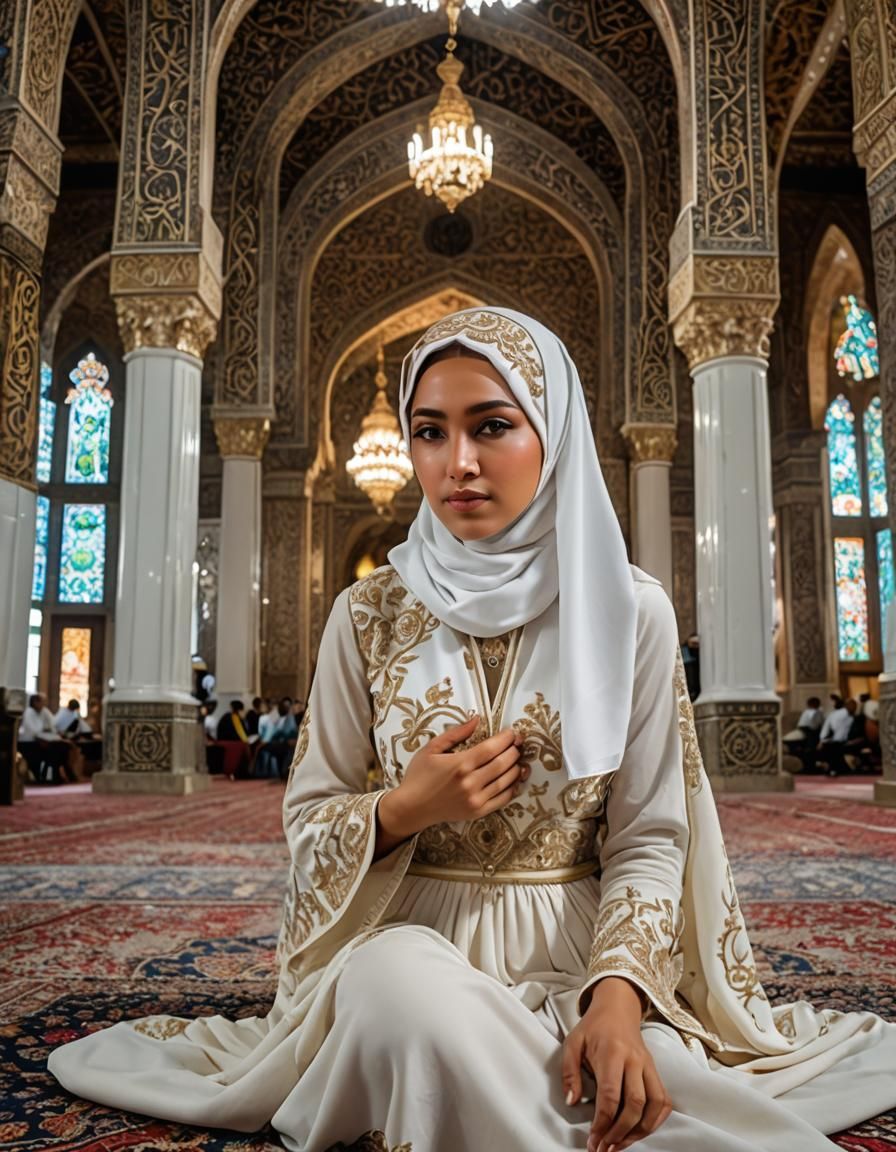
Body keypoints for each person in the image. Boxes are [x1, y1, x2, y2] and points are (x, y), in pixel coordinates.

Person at [47, 308, 896, 1150]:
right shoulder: (367, 614)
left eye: (492, 426)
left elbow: (649, 836)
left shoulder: (628, 611)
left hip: (581, 955)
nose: (457, 464)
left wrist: (619, 997)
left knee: (631, 1074)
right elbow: (309, 820)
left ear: (552, 429)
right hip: (407, 943)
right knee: (401, 998)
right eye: (428, 432)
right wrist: (402, 809)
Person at [18, 694, 77, 784]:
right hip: (30, 743)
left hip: (45, 740)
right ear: (35, 702)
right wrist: (45, 729)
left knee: (62, 747)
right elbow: (34, 731)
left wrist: (49, 731)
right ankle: (54, 776)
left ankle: (56, 775)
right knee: (55, 750)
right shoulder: (29, 712)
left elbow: (52, 725)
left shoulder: (44, 711)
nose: (43, 704)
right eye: (41, 702)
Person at [782, 695, 824, 771]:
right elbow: (817, 726)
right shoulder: (817, 712)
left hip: (793, 736)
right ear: (817, 704)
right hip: (805, 734)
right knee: (811, 749)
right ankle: (812, 765)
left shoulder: (806, 712)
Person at [816, 696, 855, 776]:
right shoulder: (840, 715)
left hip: (834, 741)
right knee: (835, 749)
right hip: (834, 742)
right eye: (852, 705)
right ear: (846, 705)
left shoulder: (848, 716)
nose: (854, 707)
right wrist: (823, 741)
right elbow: (833, 730)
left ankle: (836, 769)